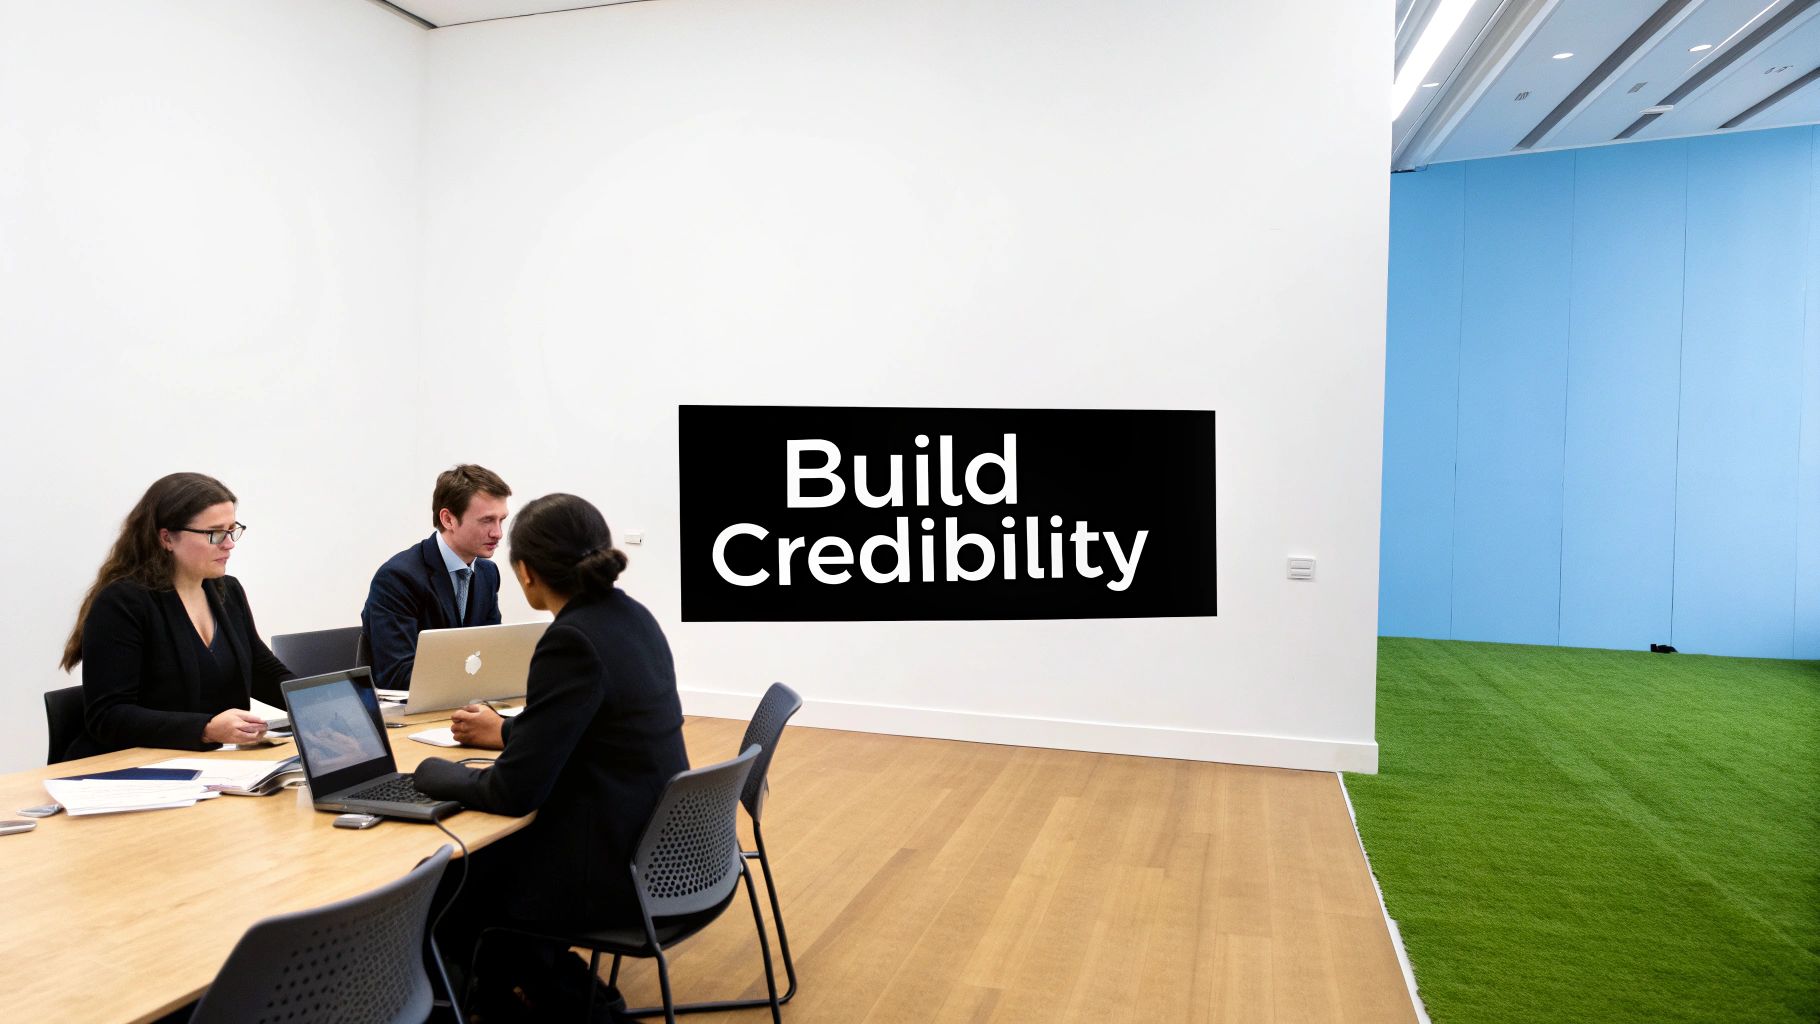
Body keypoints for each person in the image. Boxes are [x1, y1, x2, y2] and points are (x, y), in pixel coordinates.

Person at [413, 493, 688, 1021]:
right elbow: (595, 724)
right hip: (660, 848)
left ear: (526, 573)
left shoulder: (572, 639)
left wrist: (432, 775)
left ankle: (501, 998)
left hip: (611, 869)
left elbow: (513, 793)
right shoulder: (630, 616)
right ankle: (544, 986)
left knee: (447, 880)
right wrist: (510, 730)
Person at [59, 472, 293, 759]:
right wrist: (205, 728)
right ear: (167, 538)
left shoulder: (227, 592)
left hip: (207, 768)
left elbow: (261, 670)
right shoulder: (122, 603)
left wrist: (320, 705)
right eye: (215, 533)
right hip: (127, 772)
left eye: (233, 530)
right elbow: (108, 716)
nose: (229, 543)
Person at [361, 464, 511, 691]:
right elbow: (397, 674)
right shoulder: (397, 578)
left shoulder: (488, 573)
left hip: (462, 704)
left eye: (501, 520)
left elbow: (490, 653)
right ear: (448, 519)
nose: (498, 533)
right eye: (487, 520)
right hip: (411, 714)